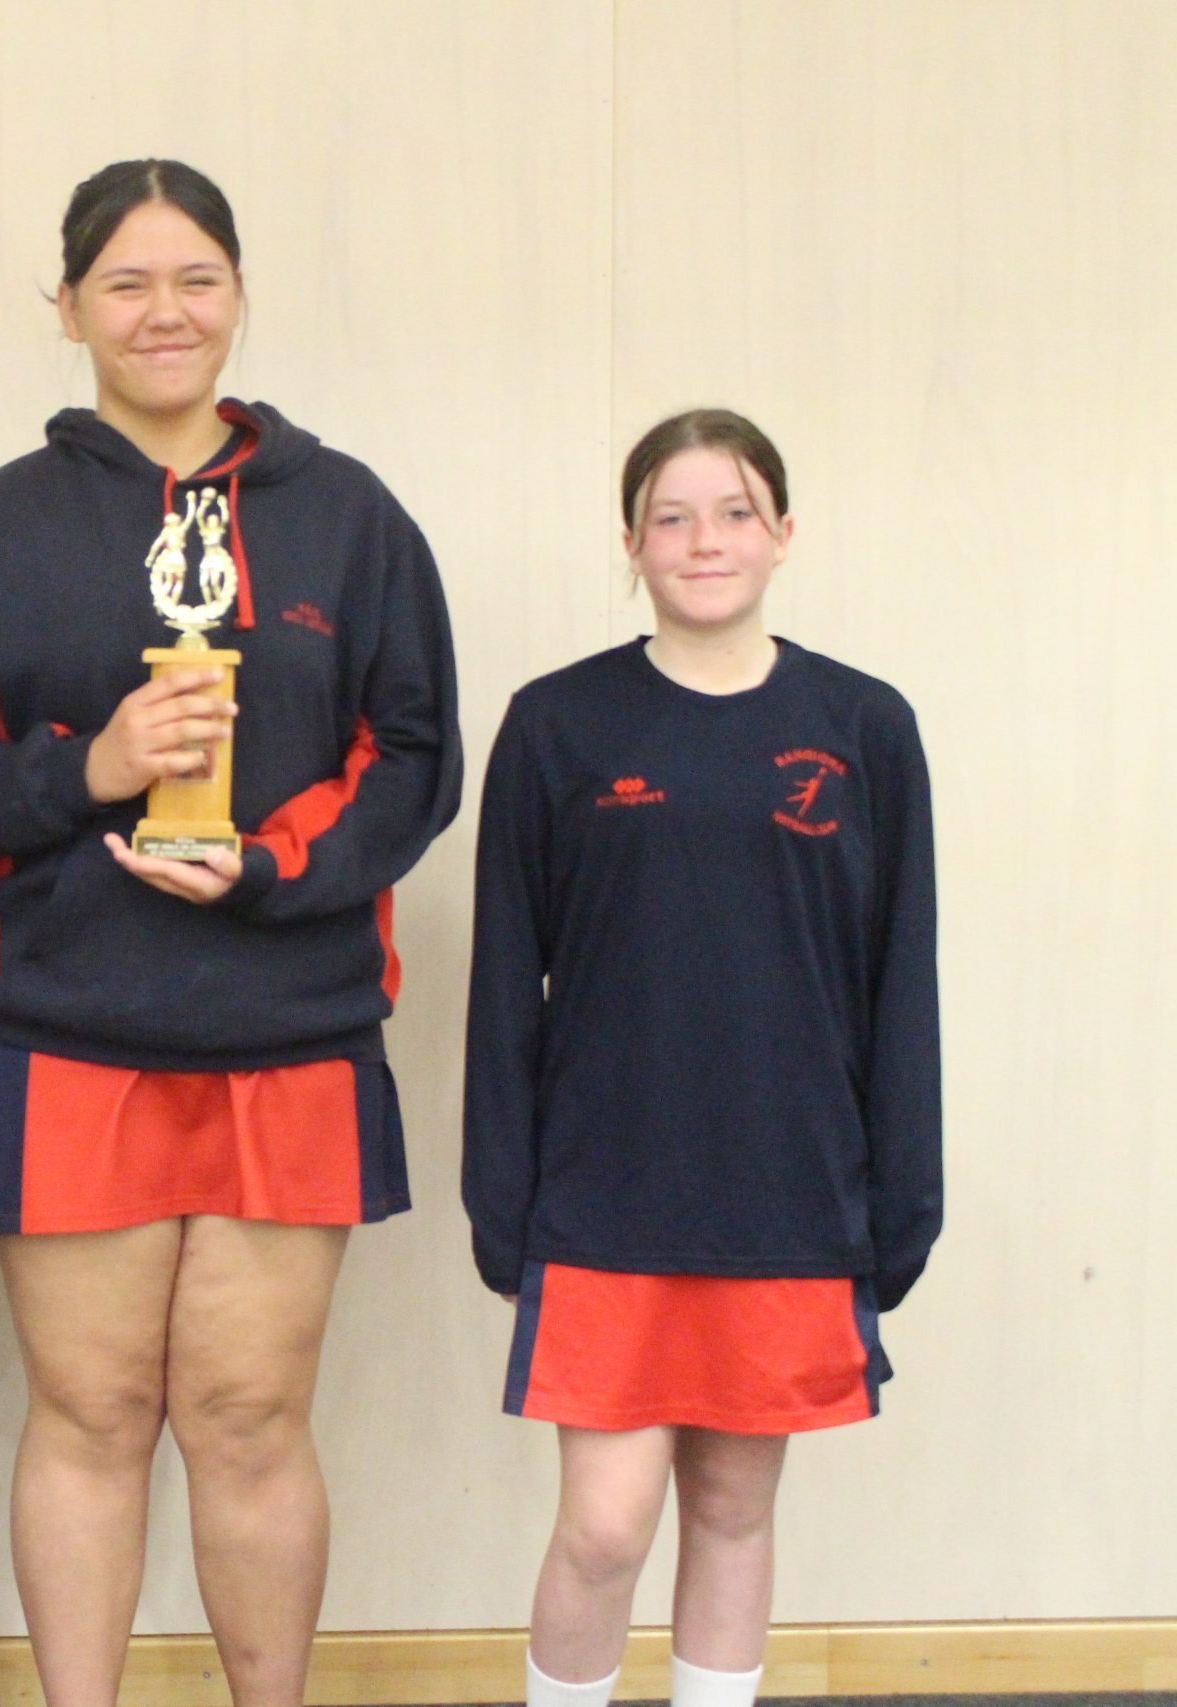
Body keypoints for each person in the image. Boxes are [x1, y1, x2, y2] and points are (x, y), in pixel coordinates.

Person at [0, 160, 462, 1707]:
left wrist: (267, 867)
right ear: (67, 309)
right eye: (125, 283)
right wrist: (89, 772)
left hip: (291, 1033)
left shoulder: (352, 517)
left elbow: (416, 759)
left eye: (196, 278)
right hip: (68, 1037)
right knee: (94, 1414)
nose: (164, 311)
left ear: (241, 293)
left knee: (251, 1419)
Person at [462, 408, 941, 1707]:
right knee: (604, 1528)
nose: (704, 540)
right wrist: (502, 1204)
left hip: (789, 1194)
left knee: (732, 1509)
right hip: (606, 1196)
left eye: (734, 512)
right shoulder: (558, 726)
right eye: (670, 517)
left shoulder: (865, 726)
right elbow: (505, 990)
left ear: (784, 532)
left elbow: (901, 987)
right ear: (631, 545)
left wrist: (903, 1202)